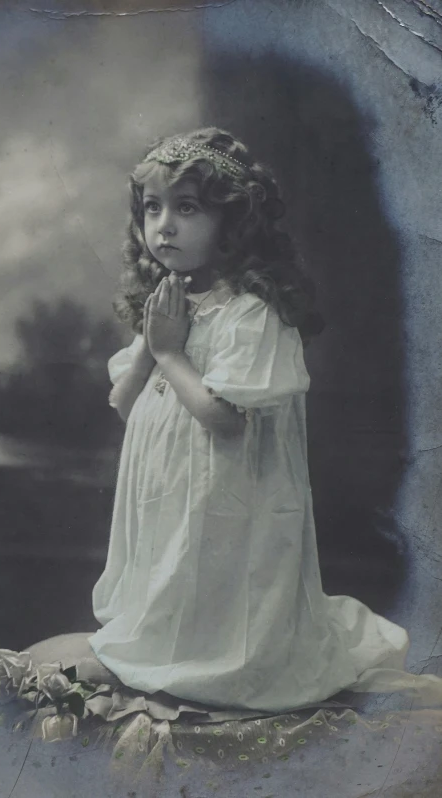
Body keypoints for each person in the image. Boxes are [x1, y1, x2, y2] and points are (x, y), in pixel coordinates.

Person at [87, 127, 439, 712]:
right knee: (171, 564)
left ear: (231, 221)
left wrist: (171, 354)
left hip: (229, 488)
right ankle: (163, 646)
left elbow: (227, 422)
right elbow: (124, 403)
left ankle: (220, 662)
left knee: (217, 570)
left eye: (187, 208)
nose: (164, 226)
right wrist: (152, 345)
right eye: (152, 209)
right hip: (167, 489)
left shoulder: (251, 312)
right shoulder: (168, 306)